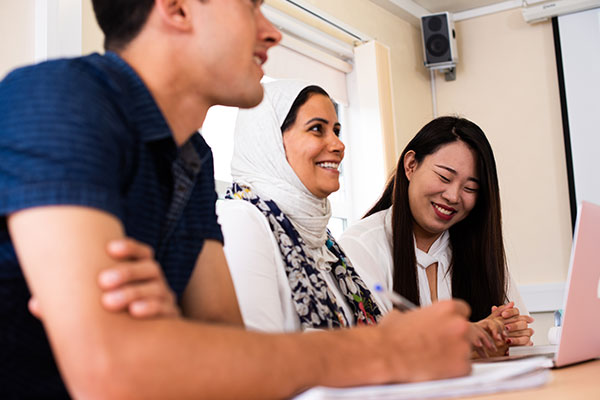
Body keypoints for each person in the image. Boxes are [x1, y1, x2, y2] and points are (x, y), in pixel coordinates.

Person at [0, 1, 472, 399]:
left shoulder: (192, 154)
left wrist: (169, 334)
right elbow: (110, 369)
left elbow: (225, 345)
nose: (271, 33)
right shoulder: (58, 99)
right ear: (178, 9)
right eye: (250, 6)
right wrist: (381, 351)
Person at [339, 116, 534, 356]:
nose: (453, 196)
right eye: (444, 177)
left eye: (470, 188)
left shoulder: (477, 249)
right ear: (411, 165)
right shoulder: (360, 246)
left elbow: (516, 337)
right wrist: (472, 345)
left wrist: (512, 334)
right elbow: (372, 353)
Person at [217, 80, 382, 332]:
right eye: (317, 129)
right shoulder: (240, 220)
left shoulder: (320, 240)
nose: (339, 145)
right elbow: (256, 348)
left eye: (336, 131)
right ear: (270, 141)